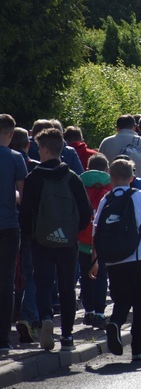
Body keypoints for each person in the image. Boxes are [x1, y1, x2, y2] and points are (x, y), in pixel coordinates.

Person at [18, 127, 92, 351]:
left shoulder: (34, 178)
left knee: (42, 284)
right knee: (67, 286)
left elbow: (26, 212)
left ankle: (47, 318)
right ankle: (67, 335)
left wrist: (30, 236)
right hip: (68, 242)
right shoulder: (72, 178)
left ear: (45, 149)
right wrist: (71, 232)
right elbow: (86, 212)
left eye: (39, 147)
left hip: (40, 241)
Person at [89, 158, 141, 362]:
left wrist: (95, 260)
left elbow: (96, 232)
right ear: (132, 177)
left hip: (114, 261)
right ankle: (137, 348)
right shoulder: (140, 195)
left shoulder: (106, 200)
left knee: (121, 299)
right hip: (138, 256)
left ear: (111, 178)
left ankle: (115, 323)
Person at [1, 115, 27, 355]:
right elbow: (22, 195)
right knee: (6, 280)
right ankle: (3, 338)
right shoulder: (16, 158)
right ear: (10, 134)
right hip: (8, 225)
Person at [9, 128, 38, 344]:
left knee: (9, 274)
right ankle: (27, 315)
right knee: (30, 273)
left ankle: (12, 314)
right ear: (28, 145)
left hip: (9, 224)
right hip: (31, 228)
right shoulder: (35, 168)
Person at [78, 154, 111, 329]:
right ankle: (100, 312)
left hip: (82, 238)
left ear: (88, 168)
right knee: (101, 274)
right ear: (106, 168)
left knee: (85, 275)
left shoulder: (79, 182)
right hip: (103, 239)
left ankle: (88, 310)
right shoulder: (110, 184)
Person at [99, 115, 141, 190]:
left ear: (117, 128)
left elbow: (99, 168)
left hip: (111, 188)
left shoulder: (106, 142)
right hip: (136, 189)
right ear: (135, 126)